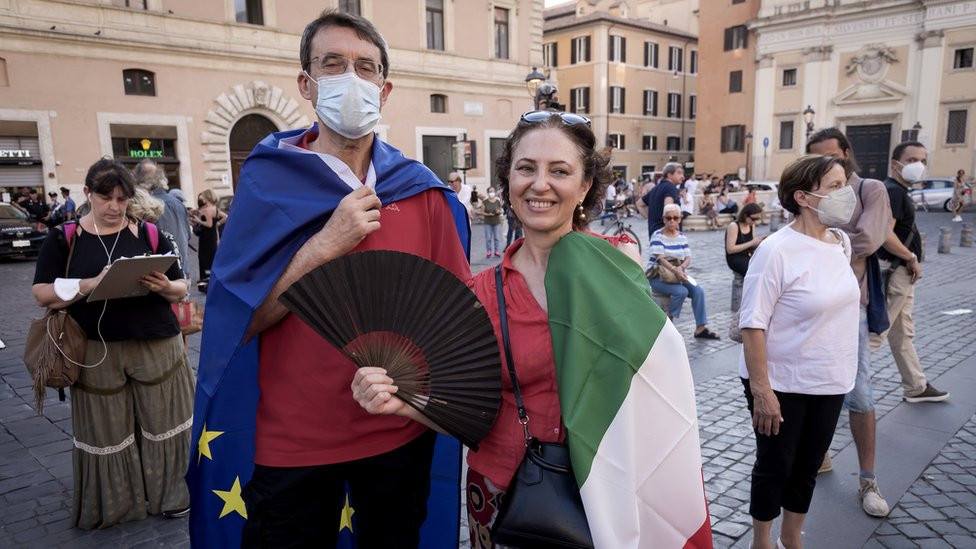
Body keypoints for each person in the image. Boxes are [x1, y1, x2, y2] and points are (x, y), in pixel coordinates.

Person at [352, 110, 711, 548]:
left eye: (559, 171)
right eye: (526, 168)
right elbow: (466, 409)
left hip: (609, 490)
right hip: (502, 495)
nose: (540, 184)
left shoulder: (620, 265)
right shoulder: (480, 294)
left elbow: (656, 387)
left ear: (584, 186)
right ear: (508, 182)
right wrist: (400, 402)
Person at [186, 10, 471, 548]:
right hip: (294, 442)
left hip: (397, 435)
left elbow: (455, 319)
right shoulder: (267, 185)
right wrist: (321, 247)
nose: (351, 79)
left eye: (366, 67)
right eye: (333, 64)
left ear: (384, 89)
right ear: (306, 83)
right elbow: (238, 323)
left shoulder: (421, 192)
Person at [31, 158, 193, 529]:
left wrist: (165, 286)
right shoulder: (64, 238)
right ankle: (119, 503)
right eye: (106, 198)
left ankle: (172, 495)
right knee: (106, 428)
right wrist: (90, 284)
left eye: (122, 199)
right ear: (88, 194)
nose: (115, 207)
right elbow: (41, 293)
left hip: (156, 342)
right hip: (93, 348)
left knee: (165, 421)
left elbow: (181, 286)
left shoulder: (150, 233)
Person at [739, 155, 860, 549]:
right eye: (835, 186)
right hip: (781, 382)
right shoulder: (776, 250)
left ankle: (792, 538)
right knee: (776, 465)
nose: (846, 193)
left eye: (845, 184)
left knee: (809, 465)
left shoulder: (840, 243)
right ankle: (762, 541)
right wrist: (762, 390)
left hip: (830, 379)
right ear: (803, 197)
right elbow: (752, 324)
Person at [807, 127, 893, 515]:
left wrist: (823, 247)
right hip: (812, 303)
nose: (826, 164)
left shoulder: (869, 190)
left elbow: (870, 239)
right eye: (817, 158)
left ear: (846, 152)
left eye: (832, 156)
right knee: (813, 383)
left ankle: (868, 480)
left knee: (859, 391)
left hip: (851, 304)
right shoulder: (812, 193)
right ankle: (820, 454)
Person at [872, 141, 949, 402]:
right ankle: (840, 384)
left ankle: (916, 386)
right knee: (877, 332)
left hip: (901, 272)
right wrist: (911, 257)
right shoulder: (893, 191)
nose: (919, 165)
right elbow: (885, 235)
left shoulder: (897, 190)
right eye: (913, 160)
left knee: (902, 332)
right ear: (896, 164)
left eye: (923, 161)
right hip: (897, 272)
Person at [648, 203, 720, 339]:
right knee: (681, 292)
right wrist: (676, 270)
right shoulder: (657, 235)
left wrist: (681, 268)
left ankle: (701, 328)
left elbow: (688, 258)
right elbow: (660, 259)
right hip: (658, 276)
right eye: (668, 218)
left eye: (675, 218)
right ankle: (668, 324)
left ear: (680, 219)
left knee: (698, 291)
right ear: (663, 219)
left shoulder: (681, 236)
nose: (672, 221)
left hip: (677, 275)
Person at [133, 159, 192, 279]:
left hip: (161, 277)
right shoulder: (178, 203)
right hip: (182, 273)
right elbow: (188, 235)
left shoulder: (143, 206)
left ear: (139, 181)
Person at [725, 203, 764, 312]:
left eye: (757, 219)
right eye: (753, 219)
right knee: (752, 272)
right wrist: (751, 243)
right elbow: (730, 249)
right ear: (746, 215)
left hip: (747, 255)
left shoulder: (751, 225)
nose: (755, 221)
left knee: (765, 267)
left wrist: (759, 242)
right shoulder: (734, 226)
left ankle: (754, 301)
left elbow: (752, 244)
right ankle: (747, 304)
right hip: (735, 257)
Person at [189, 189, 226, 291]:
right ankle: (212, 282)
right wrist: (218, 224)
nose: (201, 198)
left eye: (203, 197)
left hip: (206, 239)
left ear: (207, 197)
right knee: (211, 260)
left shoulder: (207, 210)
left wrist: (198, 220)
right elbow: (225, 217)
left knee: (204, 260)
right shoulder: (215, 208)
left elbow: (209, 224)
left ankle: (205, 285)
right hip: (212, 237)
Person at [637, 161, 682, 238]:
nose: (682, 176)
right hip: (667, 235)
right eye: (679, 173)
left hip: (654, 232)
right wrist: (675, 225)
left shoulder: (656, 188)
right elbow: (669, 208)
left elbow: (639, 204)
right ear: (669, 175)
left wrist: (650, 218)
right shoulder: (670, 188)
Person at [479, 186, 504, 257]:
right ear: (488, 193)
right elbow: (482, 212)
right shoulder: (485, 202)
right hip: (488, 222)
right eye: (490, 191)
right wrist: (488, 214)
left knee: (497, 238)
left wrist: (498, 212)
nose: (492, 193)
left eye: (493, 191)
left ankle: (496, 251)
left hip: (497, 222)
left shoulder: (497, 201)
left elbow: (500, 210)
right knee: (488, 238)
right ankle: (489, 251)